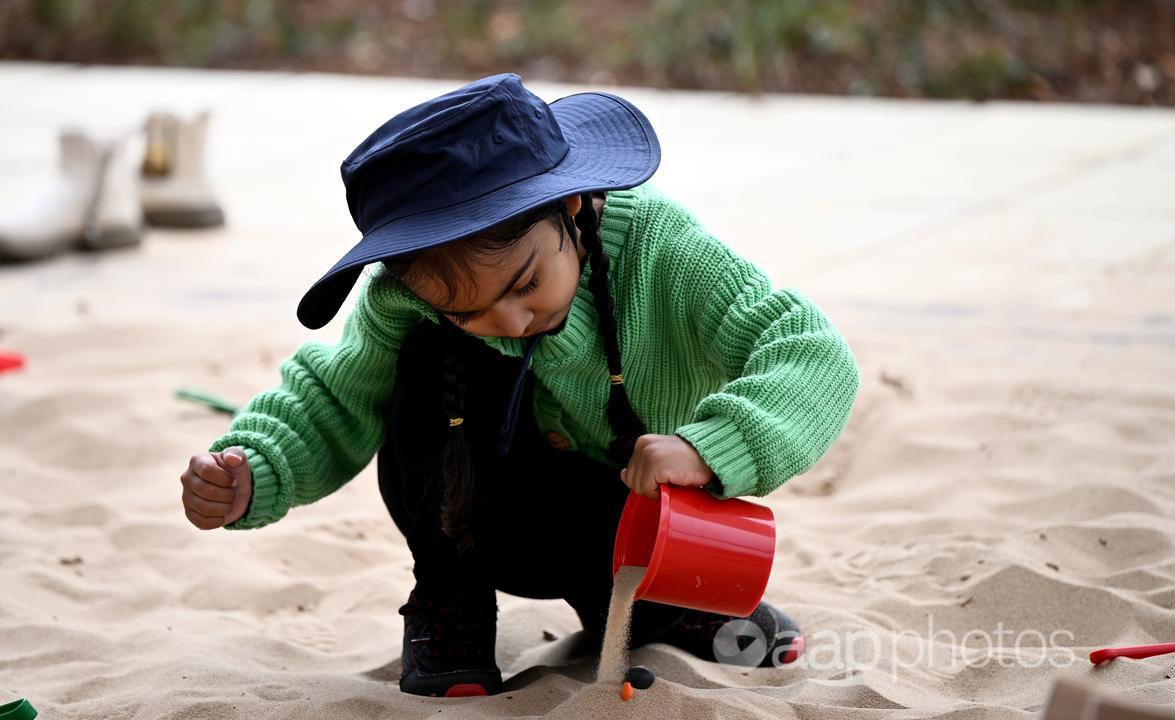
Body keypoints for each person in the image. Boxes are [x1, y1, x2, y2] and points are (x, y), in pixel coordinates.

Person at [178, 73, 860, 697]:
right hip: (483, 516)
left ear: (570, 203)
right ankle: (452, 604)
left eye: (526, 283)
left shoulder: (662, 249)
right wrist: (257, 467)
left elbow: (811, 352)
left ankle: (668, 604)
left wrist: (712, 446)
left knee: (655, 589)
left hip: (641, 517)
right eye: (467, 309)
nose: (508, 320)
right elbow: (336, 392)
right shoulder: (407, 300)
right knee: (425, 359)